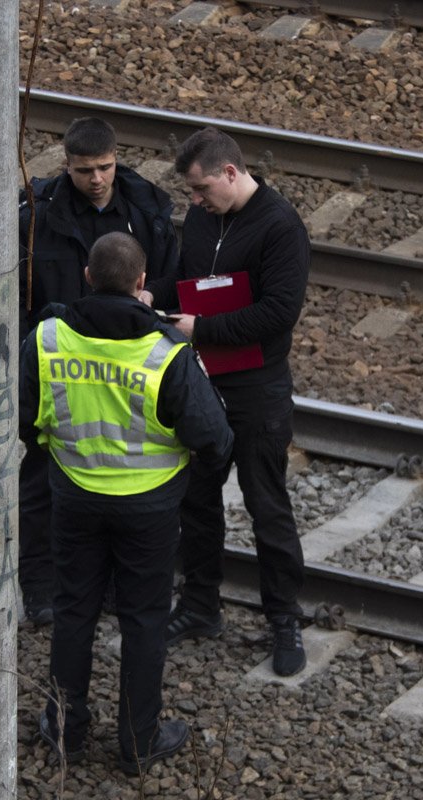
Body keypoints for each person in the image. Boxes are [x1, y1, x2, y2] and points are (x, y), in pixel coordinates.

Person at [19, 231, 233, 773]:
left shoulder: (48, 339)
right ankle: (139, 743)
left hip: (74, 496)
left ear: (87, 277)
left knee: (73, 611)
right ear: (142, 283)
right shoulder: (167, 351)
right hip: (150, 508)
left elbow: (22, 418)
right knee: (143, 621)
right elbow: (215, 438)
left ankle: (65, 731)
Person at [141, 127, 310, 677]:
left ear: (231, 173)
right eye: (191, 192)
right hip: (203, 381)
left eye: (200, 188)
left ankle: (283, 619)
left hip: (258, 389)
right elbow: (190, 280)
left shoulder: (280, 227)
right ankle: (200, 606)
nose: (194, 201)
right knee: (197, 498)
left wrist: (202, 329)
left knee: (267, 505)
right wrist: (153, 293)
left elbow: (278, 313)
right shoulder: (202, 218)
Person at [17, 116, 179, 626]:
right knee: (42, 482)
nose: (97, 179)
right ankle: (41, 588)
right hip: (61, 365)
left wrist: (151, 297)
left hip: (126, 366)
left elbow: (172, 276)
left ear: (116, 159)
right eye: (85, 170)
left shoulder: (147, 210)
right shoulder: (37, 215)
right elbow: (19, 292)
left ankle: (108, 586)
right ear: (66, 164)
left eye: (105, 167)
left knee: (116, 483)